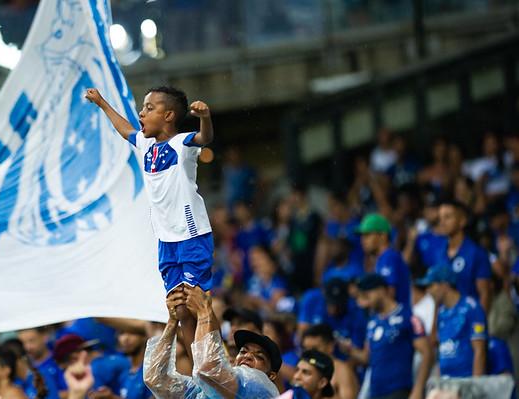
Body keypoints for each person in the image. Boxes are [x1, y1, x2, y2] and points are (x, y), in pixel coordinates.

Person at [86, 86, 214, 355]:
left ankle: (215, 362)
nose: (141, 113)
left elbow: (205, 137)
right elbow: (124, 129)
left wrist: (204, 116)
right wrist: (102, 103)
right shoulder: (145, 145)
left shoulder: (183, 144)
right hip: (166, 240)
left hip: (191, 235)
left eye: (148, 108)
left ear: (168, 115)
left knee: (197, 303)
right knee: (179, 309)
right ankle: (198, 370)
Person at [143, 287, 280, 398]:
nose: (247, 356)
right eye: (243, 351)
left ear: (271, 375)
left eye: (259, 356)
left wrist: (204, 311)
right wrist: (173, 320)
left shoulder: (262, 388)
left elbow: (207, 369)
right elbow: (155, 379)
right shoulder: (208, 391)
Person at [342, 274, 433, 399]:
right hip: (375, 392)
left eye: (367, 295)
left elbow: (427, 353)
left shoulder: (408, 317)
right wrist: (349, 350)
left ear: (381, 291)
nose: (364, 301)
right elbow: (367, 358)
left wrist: (418, 390)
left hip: (398, 391)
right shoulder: (372, 322)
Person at [418, 265, 487, 378]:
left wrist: (476, 384)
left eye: (431, 286)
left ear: (445, 285)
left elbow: (480, 350)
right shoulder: (441, 312)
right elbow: (440, 348)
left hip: (466, 379)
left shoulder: (471, 308)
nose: (428, 291)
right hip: (446, 380)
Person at [433, 199, 492, 313]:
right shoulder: (439, 253)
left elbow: (485, 294)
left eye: (448, 217)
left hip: (468, 321)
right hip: (446, 322)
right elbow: (438, 294)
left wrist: (479, 324)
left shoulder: (476, 253)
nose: (442, 222)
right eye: (440, 218)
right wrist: (434, 328)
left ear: (462, 221)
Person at [357, 213, 412, 307]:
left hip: (398, 317)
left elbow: (390, 293)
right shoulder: (383, 259)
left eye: (367, 235)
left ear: (383, 236)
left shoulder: (389, 257)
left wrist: (367, 302)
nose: (363, 240)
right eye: (362, 236)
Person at [301, 324, 359, 399]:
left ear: (330, 346)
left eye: (315, 349)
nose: (310, 354)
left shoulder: (341, 371)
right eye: (306, 349)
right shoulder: (302, 370)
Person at [17, 327, 62, 399]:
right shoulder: (22, 368)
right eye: (23, 343)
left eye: (31, 341)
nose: (27, 347)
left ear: (44, 337)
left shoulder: (60, 361)